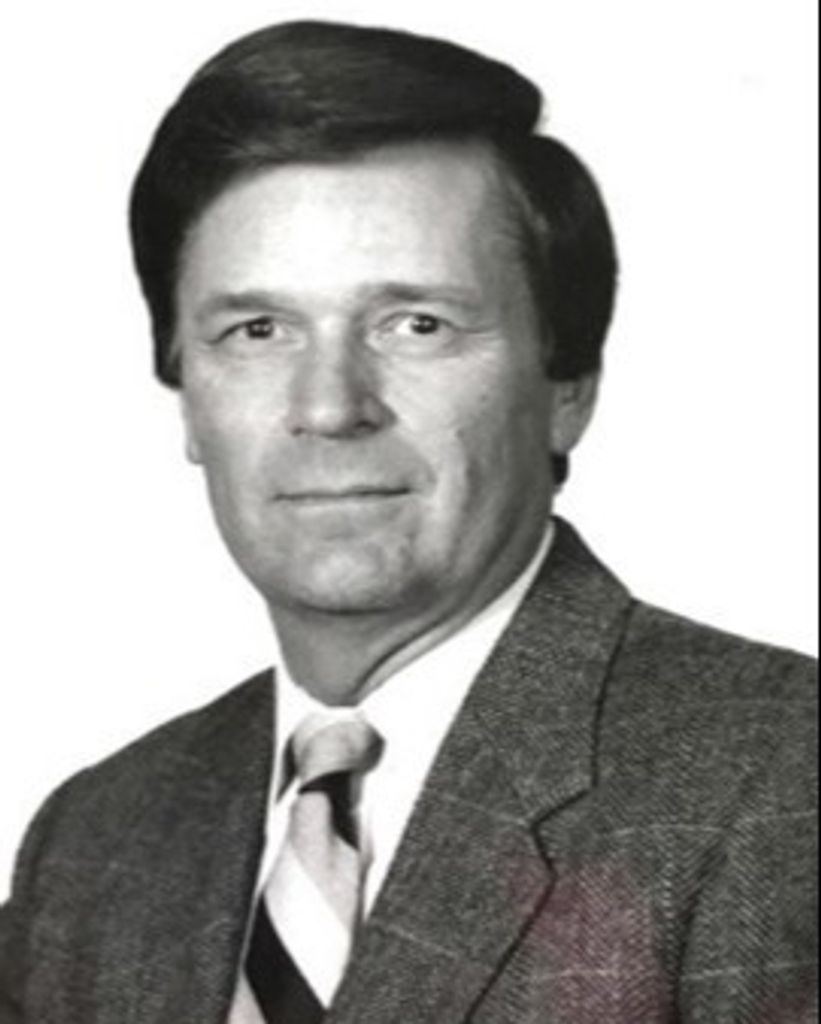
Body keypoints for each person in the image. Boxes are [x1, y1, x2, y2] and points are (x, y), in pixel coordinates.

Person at [0, 19, 815, 1024]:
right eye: (256, 330)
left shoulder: (786, 782)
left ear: (567, 387)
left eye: (415, 324)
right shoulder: (93, 843)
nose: (329, 405)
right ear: (188, 404)